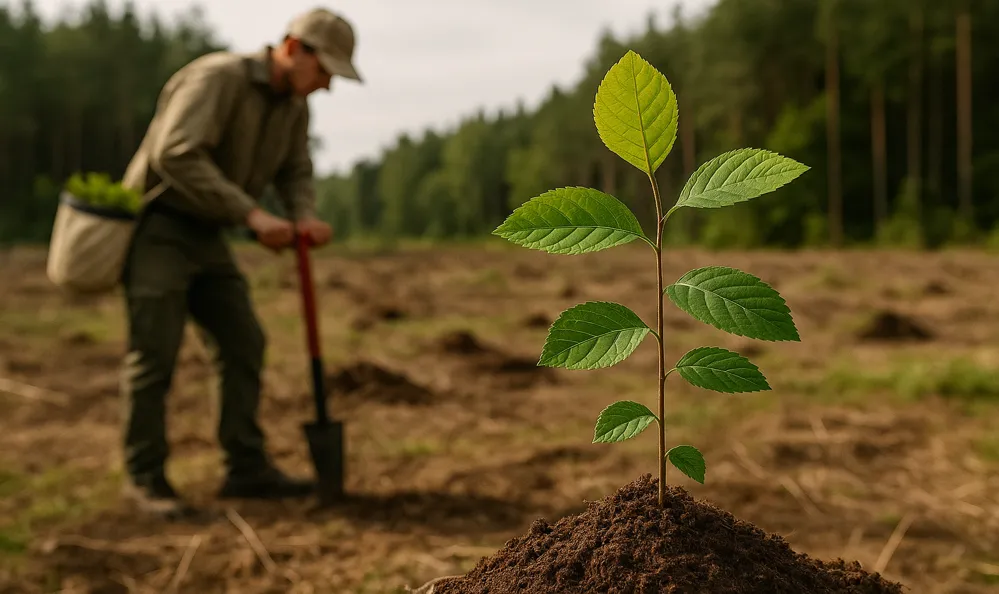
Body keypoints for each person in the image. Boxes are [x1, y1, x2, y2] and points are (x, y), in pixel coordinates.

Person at [117, 7, 362, 519]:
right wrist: (251, 216)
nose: (325, 87)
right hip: (159, 227)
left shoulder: (293, 108)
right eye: (324, 72)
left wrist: (303, 217)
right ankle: (146, 478)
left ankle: (245, 468)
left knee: (243, 341)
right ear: (295, 49)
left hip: (209, 235)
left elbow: (295, 170)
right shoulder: (217, 78)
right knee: (155, 355)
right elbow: (175, 154)